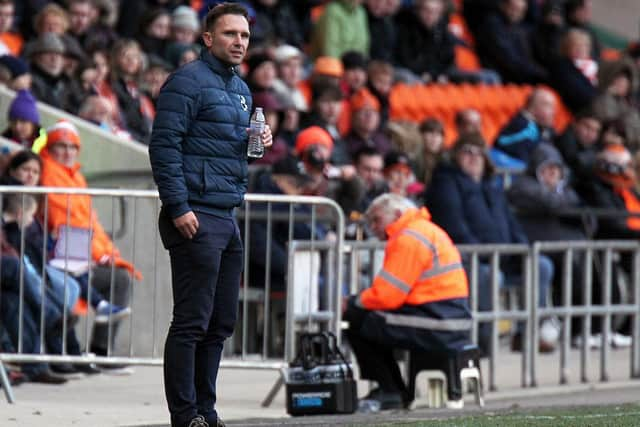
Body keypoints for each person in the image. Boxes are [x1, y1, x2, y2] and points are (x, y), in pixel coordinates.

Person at [148, 4, 273, 427]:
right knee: (191, 322)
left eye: (244, 36)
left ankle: (206, 410)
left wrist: (257, 141)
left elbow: (220, 147)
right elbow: (164, 147)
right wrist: (178, 206)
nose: (239, 42)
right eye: (230, 34)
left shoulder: (241, 90)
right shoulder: (185, 83)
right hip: (197, 214)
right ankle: (185, 416)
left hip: (226, 214)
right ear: (207, 38)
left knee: (220, 323)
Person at [425, 132, 556, 354]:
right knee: (491, 275)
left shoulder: (492, 185)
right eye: (467, 152)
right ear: (455, 155)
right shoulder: (445, 183)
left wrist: (524, 249)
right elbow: (454, 227)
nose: (473, 157)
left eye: (479, 153)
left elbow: (511, 223)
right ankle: (483, 339)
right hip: (467, 258)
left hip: (502, 256)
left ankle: (526, 334)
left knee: (540, 265)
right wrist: (487, 254)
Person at [343, 193, 471, 409]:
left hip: (438, 321)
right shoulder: (422, 230)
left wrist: (352, 302)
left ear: (398, 215)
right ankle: (393, 389)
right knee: (371, 318)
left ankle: (389, 390)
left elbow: (387, 296)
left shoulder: (408, 237)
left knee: (358, 318)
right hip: (448, 317)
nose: (372, 227)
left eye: (377, 220)